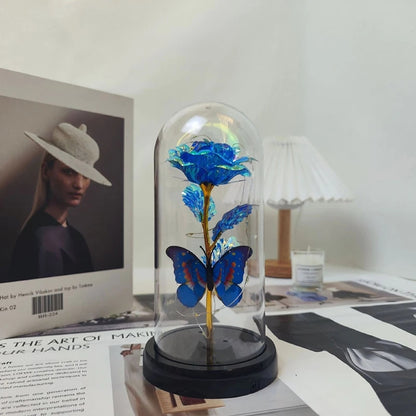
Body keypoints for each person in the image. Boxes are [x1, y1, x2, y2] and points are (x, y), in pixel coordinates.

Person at [8, 122, 112, 281]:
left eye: (85, 176)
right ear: (45, 171)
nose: (79, 184)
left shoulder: (75, 237)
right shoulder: (40, 237)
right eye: (68, 172)